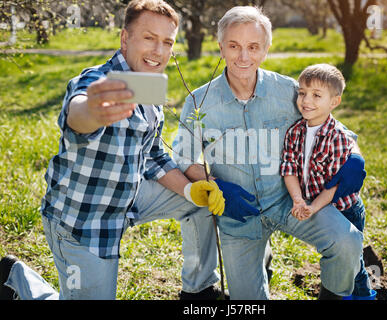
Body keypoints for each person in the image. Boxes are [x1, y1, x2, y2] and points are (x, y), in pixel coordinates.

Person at [0, 0, 252, 300]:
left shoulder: (147, 85)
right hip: (84, 220)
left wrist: (189, 191)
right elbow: (77, 115)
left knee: (199, 202)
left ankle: (199, 290)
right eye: (149, 38)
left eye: (167, 42)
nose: (159, 51)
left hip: (129, 199)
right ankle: (17, 279)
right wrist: (93, 110)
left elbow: (154, 155)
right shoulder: (96, 81)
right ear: (124, 38)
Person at [172, 6, 366, 300]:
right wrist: (216, 186)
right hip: (239, 217)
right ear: (221, 46)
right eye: (234, 46)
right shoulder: (199, 102)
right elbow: (184, 159)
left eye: (253, 47)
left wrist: (355, 156)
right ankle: (259, 262)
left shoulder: (288, 91)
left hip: (290, 201)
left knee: (347, 242)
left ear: (266, 49)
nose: (243, 57)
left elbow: (337, 129)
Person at [281, 63, 375, 299]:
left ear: (334, 102)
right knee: (345, 260)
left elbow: (334, 186)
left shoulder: (339, 138)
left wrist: (313, 207)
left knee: (353, 263)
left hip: (345, 208)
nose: (306, 100)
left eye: (316, 95)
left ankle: (364, 295)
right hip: (313, 201)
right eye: (302, 93)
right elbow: (289, 169)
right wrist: (298, 200)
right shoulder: (295, 131)